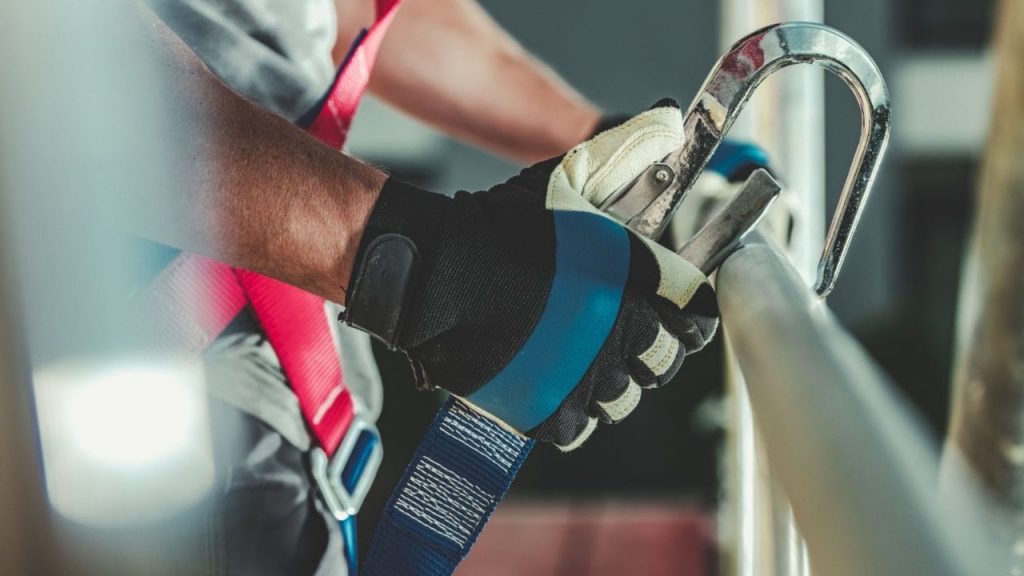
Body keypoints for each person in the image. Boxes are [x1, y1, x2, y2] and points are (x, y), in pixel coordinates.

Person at [135, 1, 717, 573]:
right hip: (155, 426)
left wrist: (600, 137)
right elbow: (58, 65)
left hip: (279, 417)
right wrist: (426, 265)